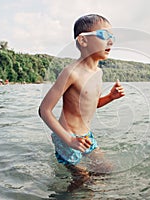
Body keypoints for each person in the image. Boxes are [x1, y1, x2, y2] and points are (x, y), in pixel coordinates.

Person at [38, 14, 125, 190]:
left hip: (86, 137)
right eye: (104, 36)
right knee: (82, 180)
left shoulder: (98, 72)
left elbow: (90, 105)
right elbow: (44, 110)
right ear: (83, 40)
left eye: (112, 37)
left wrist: (110, 97)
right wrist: (69, 140)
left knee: (107, 171)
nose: (110, 42)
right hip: (67, 138)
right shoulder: (71, 72)